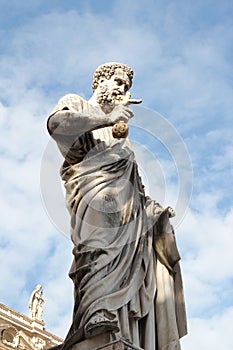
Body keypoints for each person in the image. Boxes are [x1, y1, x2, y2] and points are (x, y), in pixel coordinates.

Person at [47, 62, 187, 350]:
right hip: (93, 195)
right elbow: (57, 126)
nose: (122, 88)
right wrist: (106, 117)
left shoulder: (124, 141)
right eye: (118, 81)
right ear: (100, 82)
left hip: (128, 214)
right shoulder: (77, 104)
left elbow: (134, 189)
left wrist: (155, 213)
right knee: (97, 254)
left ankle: (123, 329)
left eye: (126, 85)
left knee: (135, 265)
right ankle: (96, 314)